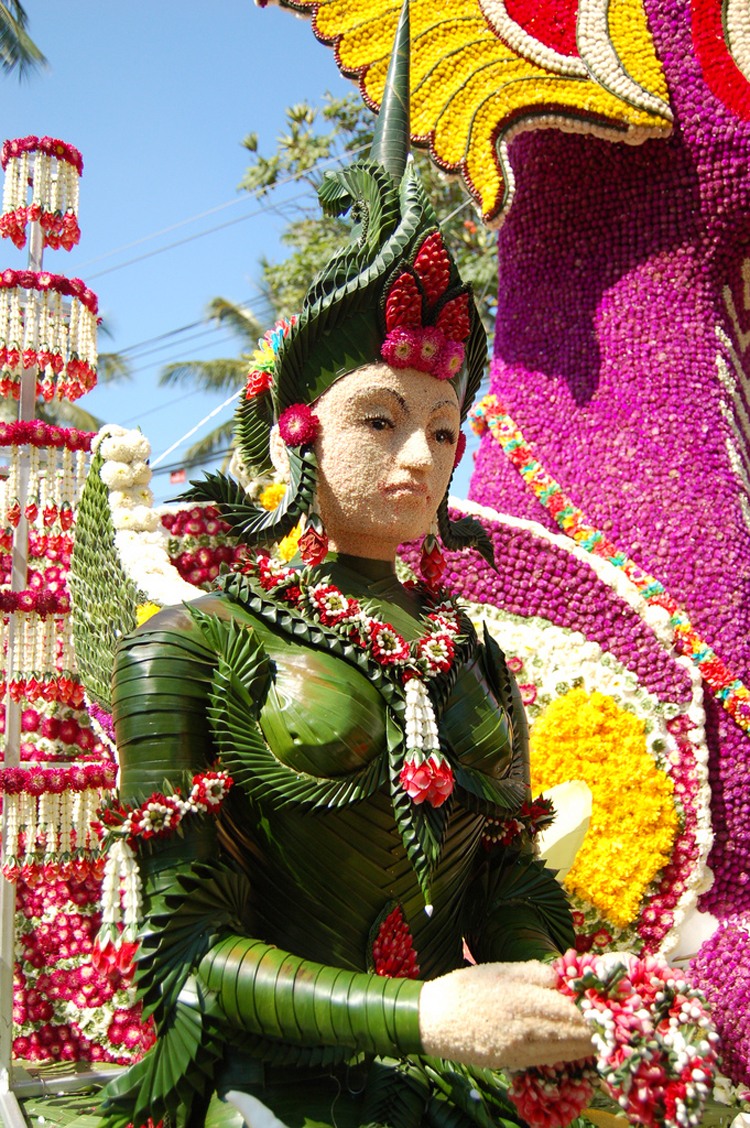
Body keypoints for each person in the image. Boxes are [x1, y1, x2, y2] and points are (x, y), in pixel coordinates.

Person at [97, 9, 592, 1125]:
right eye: (381, 419)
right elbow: (182, 959)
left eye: (446, 428)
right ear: (296, 430)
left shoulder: (473, 652)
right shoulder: (192, 645)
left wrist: (536, 976)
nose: (422, 457)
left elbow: (509, 872)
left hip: (448, 1080)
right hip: (266, 1091)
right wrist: (415, 1015)